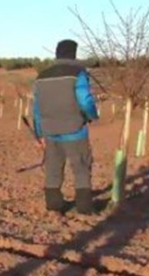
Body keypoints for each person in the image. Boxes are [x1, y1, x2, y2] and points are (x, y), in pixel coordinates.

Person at [32, 38, 99, 215]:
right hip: (75, 130)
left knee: (53, 167)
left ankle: (54, 204)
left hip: (50, 131)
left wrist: (39, 133)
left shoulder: (41, 76)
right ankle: (84, 206)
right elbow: (85, 100)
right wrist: (92, 115)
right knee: (81, 167)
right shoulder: (78, 73)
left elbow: (36, 108)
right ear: (74, 54)